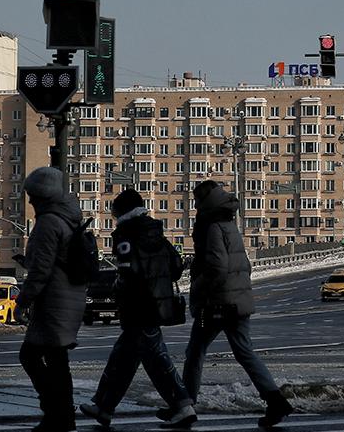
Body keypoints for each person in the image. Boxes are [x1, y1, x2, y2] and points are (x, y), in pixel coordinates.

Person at [178, 180, 291, 430]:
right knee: (244, 352)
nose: (195, 205)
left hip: (219, 303)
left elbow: (217, 267)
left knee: (195, 351)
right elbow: (244, 266)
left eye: (197, 200)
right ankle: (275, 400)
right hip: (235, 300)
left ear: (204, 201)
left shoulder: (213, 227)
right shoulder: (229, 223)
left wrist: (198, 287)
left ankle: (185, 406)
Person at [79, 189, 196, 429]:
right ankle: (104, 406)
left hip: (137, 306)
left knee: (158, 361)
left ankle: (183, 405)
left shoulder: (124, 234)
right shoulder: (156, 232)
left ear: (121, 211)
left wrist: (118, 289)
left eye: (113, 210)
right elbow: (176, 266)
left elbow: (126, 272)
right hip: (157, 303)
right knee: (122, 358)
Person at [17, 167, 88, 432]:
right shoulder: (67, 219)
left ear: (42, 196)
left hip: (54, 300)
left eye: (32, 196)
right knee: (57, 361)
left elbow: (41, 270)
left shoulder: (49, 222)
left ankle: (55, 413)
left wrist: (22, 300)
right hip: (68, 297)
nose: (30, 201)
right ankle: (62, 416)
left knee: (31, 356)